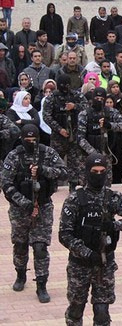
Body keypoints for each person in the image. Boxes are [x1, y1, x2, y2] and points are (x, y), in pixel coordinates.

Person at [59, 153, 122, 325]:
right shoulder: (74, 200)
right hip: (79, 266)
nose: (98, 175)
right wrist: (87, 253)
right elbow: (64, 235)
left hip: (105, 265)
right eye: (94, 171)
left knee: (102, 312)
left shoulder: (112, 197)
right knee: (75, 310)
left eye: (102, 171)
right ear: (87, 172)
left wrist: (114, 225)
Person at [1, 124, 67, 303]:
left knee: (40, 247)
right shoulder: (15, 156)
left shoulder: (47, 153)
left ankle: (41, 284)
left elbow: (63, 172)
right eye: (27, 140)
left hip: (43, 206)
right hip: (20, 209)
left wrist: (44, 170)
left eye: (34, 140)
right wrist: (24, 203)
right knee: (21, 244)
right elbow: (6, 183)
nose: (31, 143)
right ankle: (20, 274)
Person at [43, 74, 89, 192]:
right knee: (54, 160)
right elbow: (46, 116)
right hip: (58, 136)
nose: (65, 88)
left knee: (74, 162)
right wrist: (59, 129)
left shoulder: (76, 95)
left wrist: (75, 106)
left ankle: (73, 184)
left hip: (73, 133)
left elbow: (87, 108)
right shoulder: (52, 97)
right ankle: (52, 184)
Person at [77, 87, 122, 186]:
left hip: (106, 154)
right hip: (87, 156)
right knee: (86, 185)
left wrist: (110, 125)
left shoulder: (111, 112)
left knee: (106, 185)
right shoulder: (84, 114)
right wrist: (94, 153)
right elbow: (80, 138)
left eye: (101, 99)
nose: (99, 100)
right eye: (97, 98)